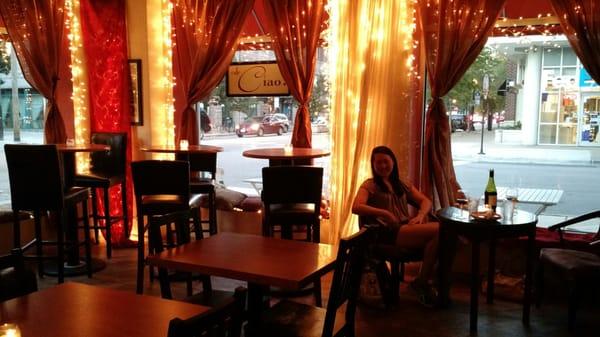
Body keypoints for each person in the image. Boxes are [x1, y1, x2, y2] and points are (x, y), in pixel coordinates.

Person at [352, 145, 439, 307]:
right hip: (385, 232)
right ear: (373, 165)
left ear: (393, 162)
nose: (383, 166)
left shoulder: (400, 183)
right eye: (378, 163)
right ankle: (422, 282)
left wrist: (420, 216)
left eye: (386, 162)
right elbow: (356, 207)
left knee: (442, 237)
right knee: (441, 230)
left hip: (403, 229)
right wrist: (384, 213)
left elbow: (426, 201)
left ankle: (424, 281)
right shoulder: (370, 185)